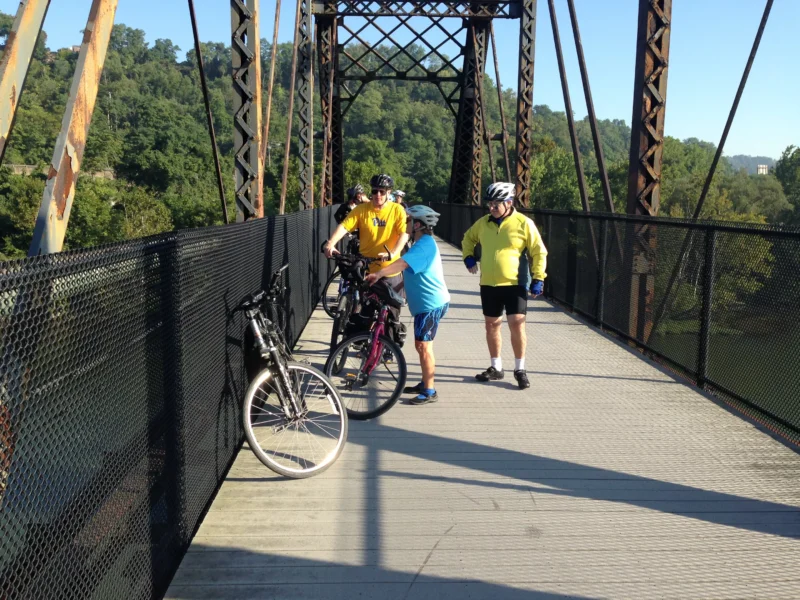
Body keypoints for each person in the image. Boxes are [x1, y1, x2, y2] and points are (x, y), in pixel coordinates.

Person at [461, 182, 547, 390]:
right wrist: (468, 257)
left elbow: (538, 251)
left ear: (509, 203)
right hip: (489, 283)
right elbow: (468, 238)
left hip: (514, 283)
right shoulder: (483, 223)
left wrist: (539, 277)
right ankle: (496, 367)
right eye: (490, 203)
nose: (491, 207)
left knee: (516, 323)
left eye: (496, 204)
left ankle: (520, 369)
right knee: (491, 324)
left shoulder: (524, 223)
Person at [366, 205, 449, 405]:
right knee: (421, 345)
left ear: (418, 225)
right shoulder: (421, 243)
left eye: (409, 221)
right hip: (426, 304)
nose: (405, 224)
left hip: (431, 304)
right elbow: (413, 272)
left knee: (424, 345)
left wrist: (379, 274)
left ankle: (430, 391)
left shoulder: (425, 245)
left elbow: (402, 264)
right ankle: (425, 382)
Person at [323, 174, 409, 302]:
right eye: (375, 191)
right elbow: (344, 226)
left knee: (392, 311)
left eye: (382, 192)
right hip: (367, 269)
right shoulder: (361, 210)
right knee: (363, 309)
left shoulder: (397, 210)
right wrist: (331, 243)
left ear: (388, 192)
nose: (378, 195)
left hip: (390, 270)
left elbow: (404, 234)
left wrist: (393, 252)